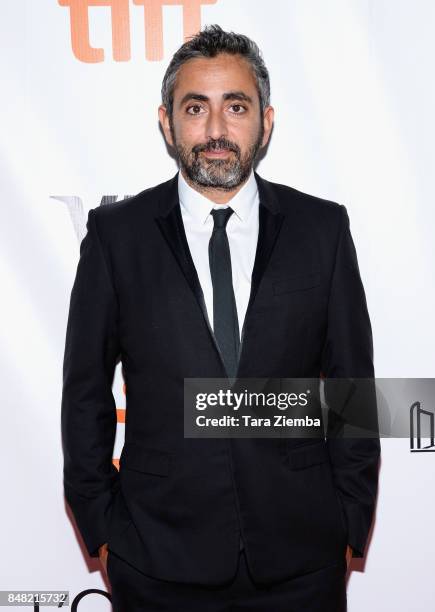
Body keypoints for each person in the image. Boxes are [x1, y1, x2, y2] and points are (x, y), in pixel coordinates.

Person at [61, 24, 380, 611]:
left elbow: (353, 390)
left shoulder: (323, 230)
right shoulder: (115, 237)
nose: (215, 130)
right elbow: (85, 393)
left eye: (235, 107)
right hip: (155, 560)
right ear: (166, 122)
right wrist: (103, 527)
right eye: (194, 108)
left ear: (265, 119)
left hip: (301, 560)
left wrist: (348, 517)